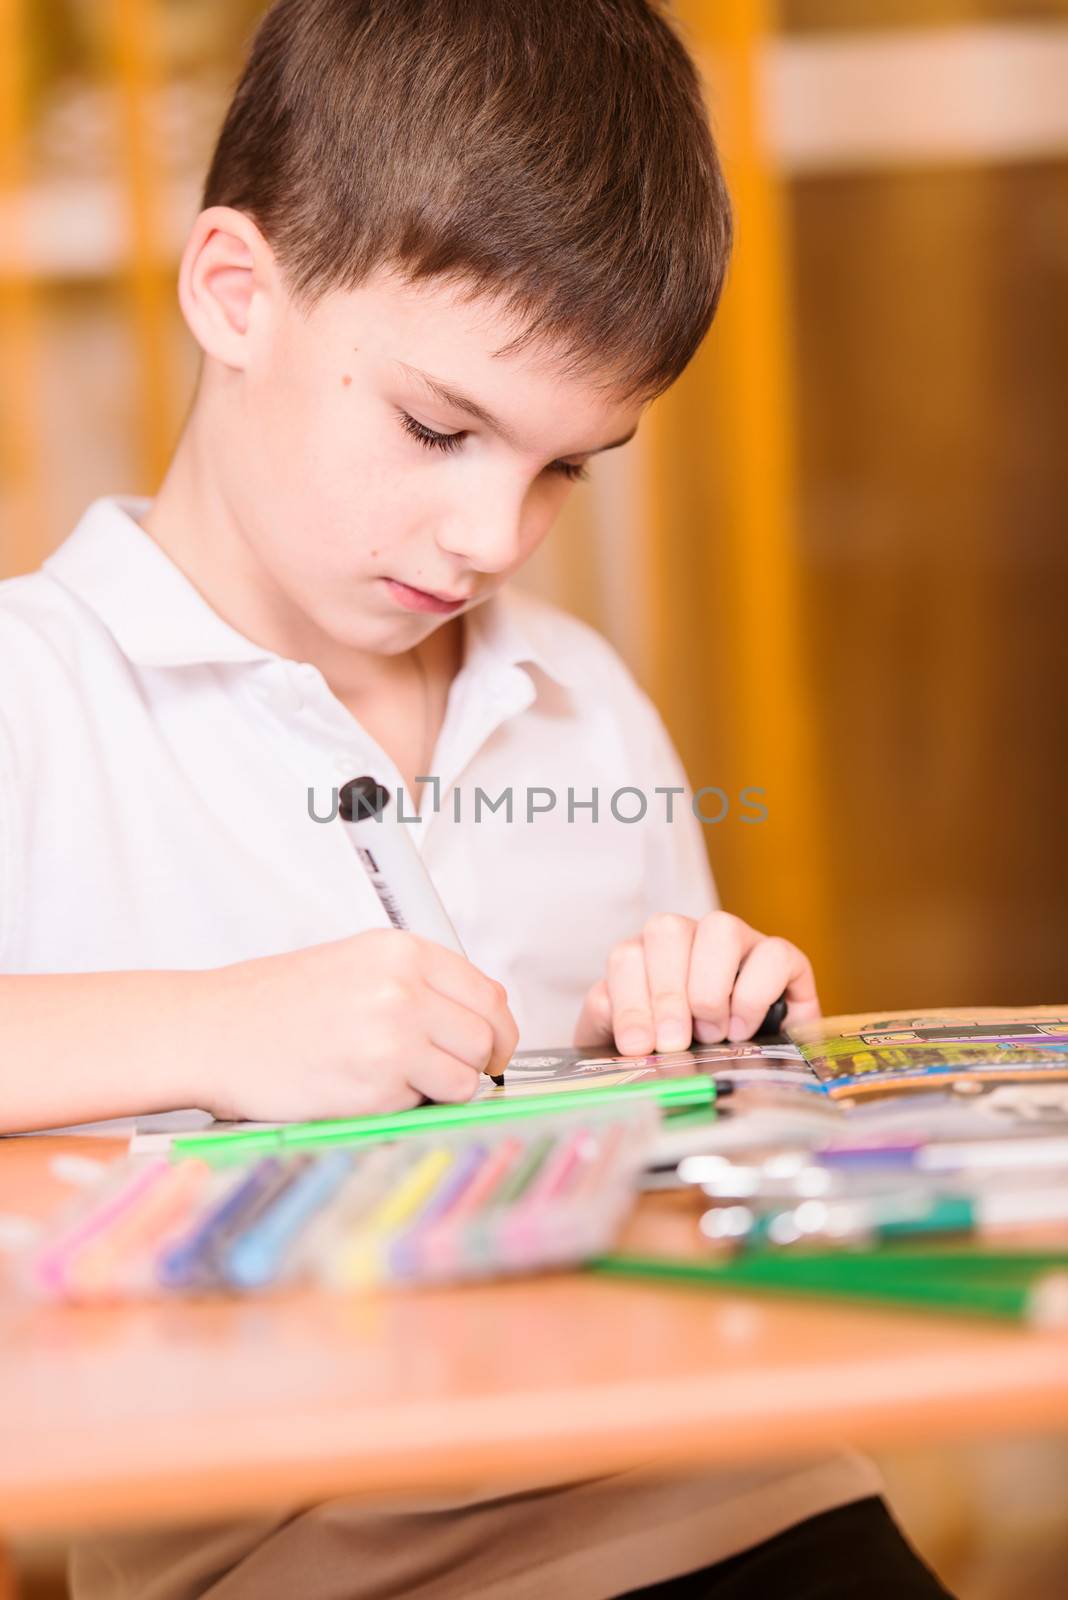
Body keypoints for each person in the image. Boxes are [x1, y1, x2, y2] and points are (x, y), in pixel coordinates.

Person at [0, 2, 953, 1595]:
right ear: (237, 293)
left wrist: (723, 1031)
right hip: (320, 1569)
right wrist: (212, 1031)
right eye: (441, 428)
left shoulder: (581, 696)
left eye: (567, 467)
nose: (492, 537)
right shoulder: (35, 689)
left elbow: (690, 1190)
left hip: (747, 1498)